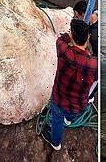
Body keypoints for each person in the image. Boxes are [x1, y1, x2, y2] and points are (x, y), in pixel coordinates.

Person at [41, 19, 98, 151]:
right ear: (88, 37)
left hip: (59, 100)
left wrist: (69, 35)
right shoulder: (94, 65)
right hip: (78, 103)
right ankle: (69, 120)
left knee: (56, 122)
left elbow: (61, 39)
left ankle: (56, 143)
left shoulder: (63, 50)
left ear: (72, 35)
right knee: (71, 115)